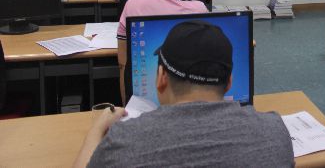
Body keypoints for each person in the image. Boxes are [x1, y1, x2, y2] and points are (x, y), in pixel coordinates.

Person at [75, 21, 294, 168]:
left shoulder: (123, 142)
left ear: (161, 78)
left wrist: (97, 128)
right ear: (229, 82)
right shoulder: (275, 132)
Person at [117, 0, 208, 104]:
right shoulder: (199, 8)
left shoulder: (133, 5)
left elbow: (123, 64)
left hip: (145, 101)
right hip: (192, 96)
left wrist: (127, 106)